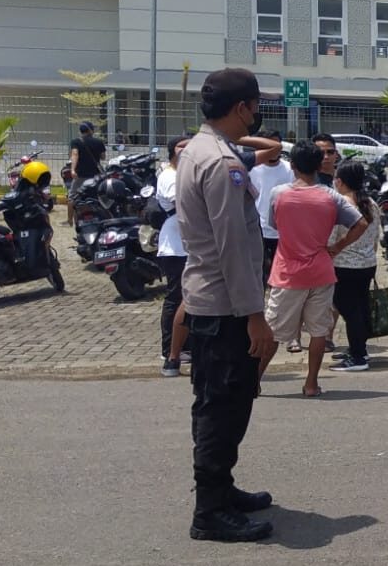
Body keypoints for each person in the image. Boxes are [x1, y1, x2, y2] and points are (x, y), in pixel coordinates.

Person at [175, 68, 275, 543]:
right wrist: (255, 315)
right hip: (225, 307)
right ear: (242, 109)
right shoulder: (222, 163)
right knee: (223, 406)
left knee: (220, 400)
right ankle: (209, 511)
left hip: (211, 300)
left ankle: (223, 489)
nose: (256, 114)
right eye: (254, 107)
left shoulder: (201, 149)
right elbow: (233, 247)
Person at [257, 141, 369, 397]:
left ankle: (255, 379)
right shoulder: (331, 196)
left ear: (293, 166)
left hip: (287, 272)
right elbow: (361, 223)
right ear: (320, 165)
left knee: (273, 332)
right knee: (319, 331)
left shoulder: (279, 193)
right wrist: (339, 246)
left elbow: (273, 224)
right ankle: (311, 383)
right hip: (321, 269)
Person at [329, 161, 380, 372]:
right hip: (367, 263)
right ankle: (359, 348)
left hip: (345, 264)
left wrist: (330, 249)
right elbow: (376, 235)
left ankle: (358, 358)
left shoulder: (341, 204)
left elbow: (332, 236)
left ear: (340, 181)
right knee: (360, 307)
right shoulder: (370, 203)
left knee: (350, 311)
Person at [158, 137, 192, 377]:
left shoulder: (186, 173)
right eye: (183, 147)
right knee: (176, 298)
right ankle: (169, 348)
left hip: (190, 244)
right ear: (172, 152)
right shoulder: (169, 175)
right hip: (174, 246)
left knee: (189, 297)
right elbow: (179, 200)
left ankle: (185, 346)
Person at [249, 131, 292, 284]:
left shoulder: (289, 169)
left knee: (281, 271)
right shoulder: (252, 169)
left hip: (283, 230)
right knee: (258, 271)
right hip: (257, 227)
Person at [69, 120, 107, 210]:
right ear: (91, 130)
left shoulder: (75, 142)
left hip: (80, 175)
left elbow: (75, 154)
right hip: (95, 175)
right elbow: (103, 157)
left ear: (80, 131)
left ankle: (69, 220)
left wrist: (72, 170)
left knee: (72, 197)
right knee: (96, 195)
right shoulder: (98, 142)